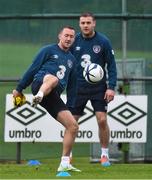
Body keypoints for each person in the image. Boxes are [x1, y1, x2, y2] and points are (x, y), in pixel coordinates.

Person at [12, 26, 81, 172]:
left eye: (71, 37)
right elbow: (33, 68)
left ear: (74, 39)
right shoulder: (48, 50)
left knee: (73, 126)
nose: (68, 39)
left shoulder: (72, 60)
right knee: (53, 79)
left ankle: (64, 164)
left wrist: (71, 106)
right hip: (40, 85)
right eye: (66, 35)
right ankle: (39, 95)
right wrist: (19, 88)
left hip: (53, 95)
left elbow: (73, 86)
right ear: (59, 36)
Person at [67, 12, 117, 167]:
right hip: (77, 88)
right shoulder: (73, 41)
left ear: (94, 23)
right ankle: (67, 156)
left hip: (98, 89)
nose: (85, 25)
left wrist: (111, 87)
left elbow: (112, 65)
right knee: (71, 123)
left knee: (102, 120)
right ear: (79, 24)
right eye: (83, 23)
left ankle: (104, 155)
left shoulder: (103, 41)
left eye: (88, 22)